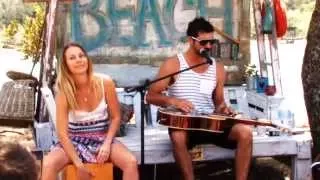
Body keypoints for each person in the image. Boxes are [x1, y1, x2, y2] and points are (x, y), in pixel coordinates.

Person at [146, 17, 252, 180]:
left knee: (245, 132)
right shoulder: (174, 65)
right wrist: (174, 101)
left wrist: (224, 109)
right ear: (191, 40)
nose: (208, 46)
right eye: (203, 43)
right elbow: (151, 96)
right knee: (177, 136)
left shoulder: (217, 68)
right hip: (184, 125)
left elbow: (219, 102)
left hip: (210, 123)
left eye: (212, 42)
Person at [42, 43, 139, 180]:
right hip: (74, 141)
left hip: (102, 138)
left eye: (81, 56)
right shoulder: (64, 92)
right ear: (66, 65)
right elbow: (62, 133)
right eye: (72, 58)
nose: (79, 60)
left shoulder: (105, 82)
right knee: (48, 164)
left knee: (131, 162)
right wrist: (78, 164)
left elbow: (116, 117)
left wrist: (106, 143)